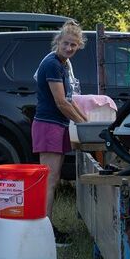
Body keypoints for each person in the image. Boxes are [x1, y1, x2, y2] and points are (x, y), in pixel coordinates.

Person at [32, 20, 87, 247]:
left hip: (56, 125)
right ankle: (44, 232)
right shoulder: (53, 64)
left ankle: (45, 227)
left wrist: (84, 121)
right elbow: (61, 102)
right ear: (58, 42)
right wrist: (84, 125)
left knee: (51, 179)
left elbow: (69, 102)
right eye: (66, 43)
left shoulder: (62, 64)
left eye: (74, 45)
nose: (70, 48)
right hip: (48, 125)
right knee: (49, 181)